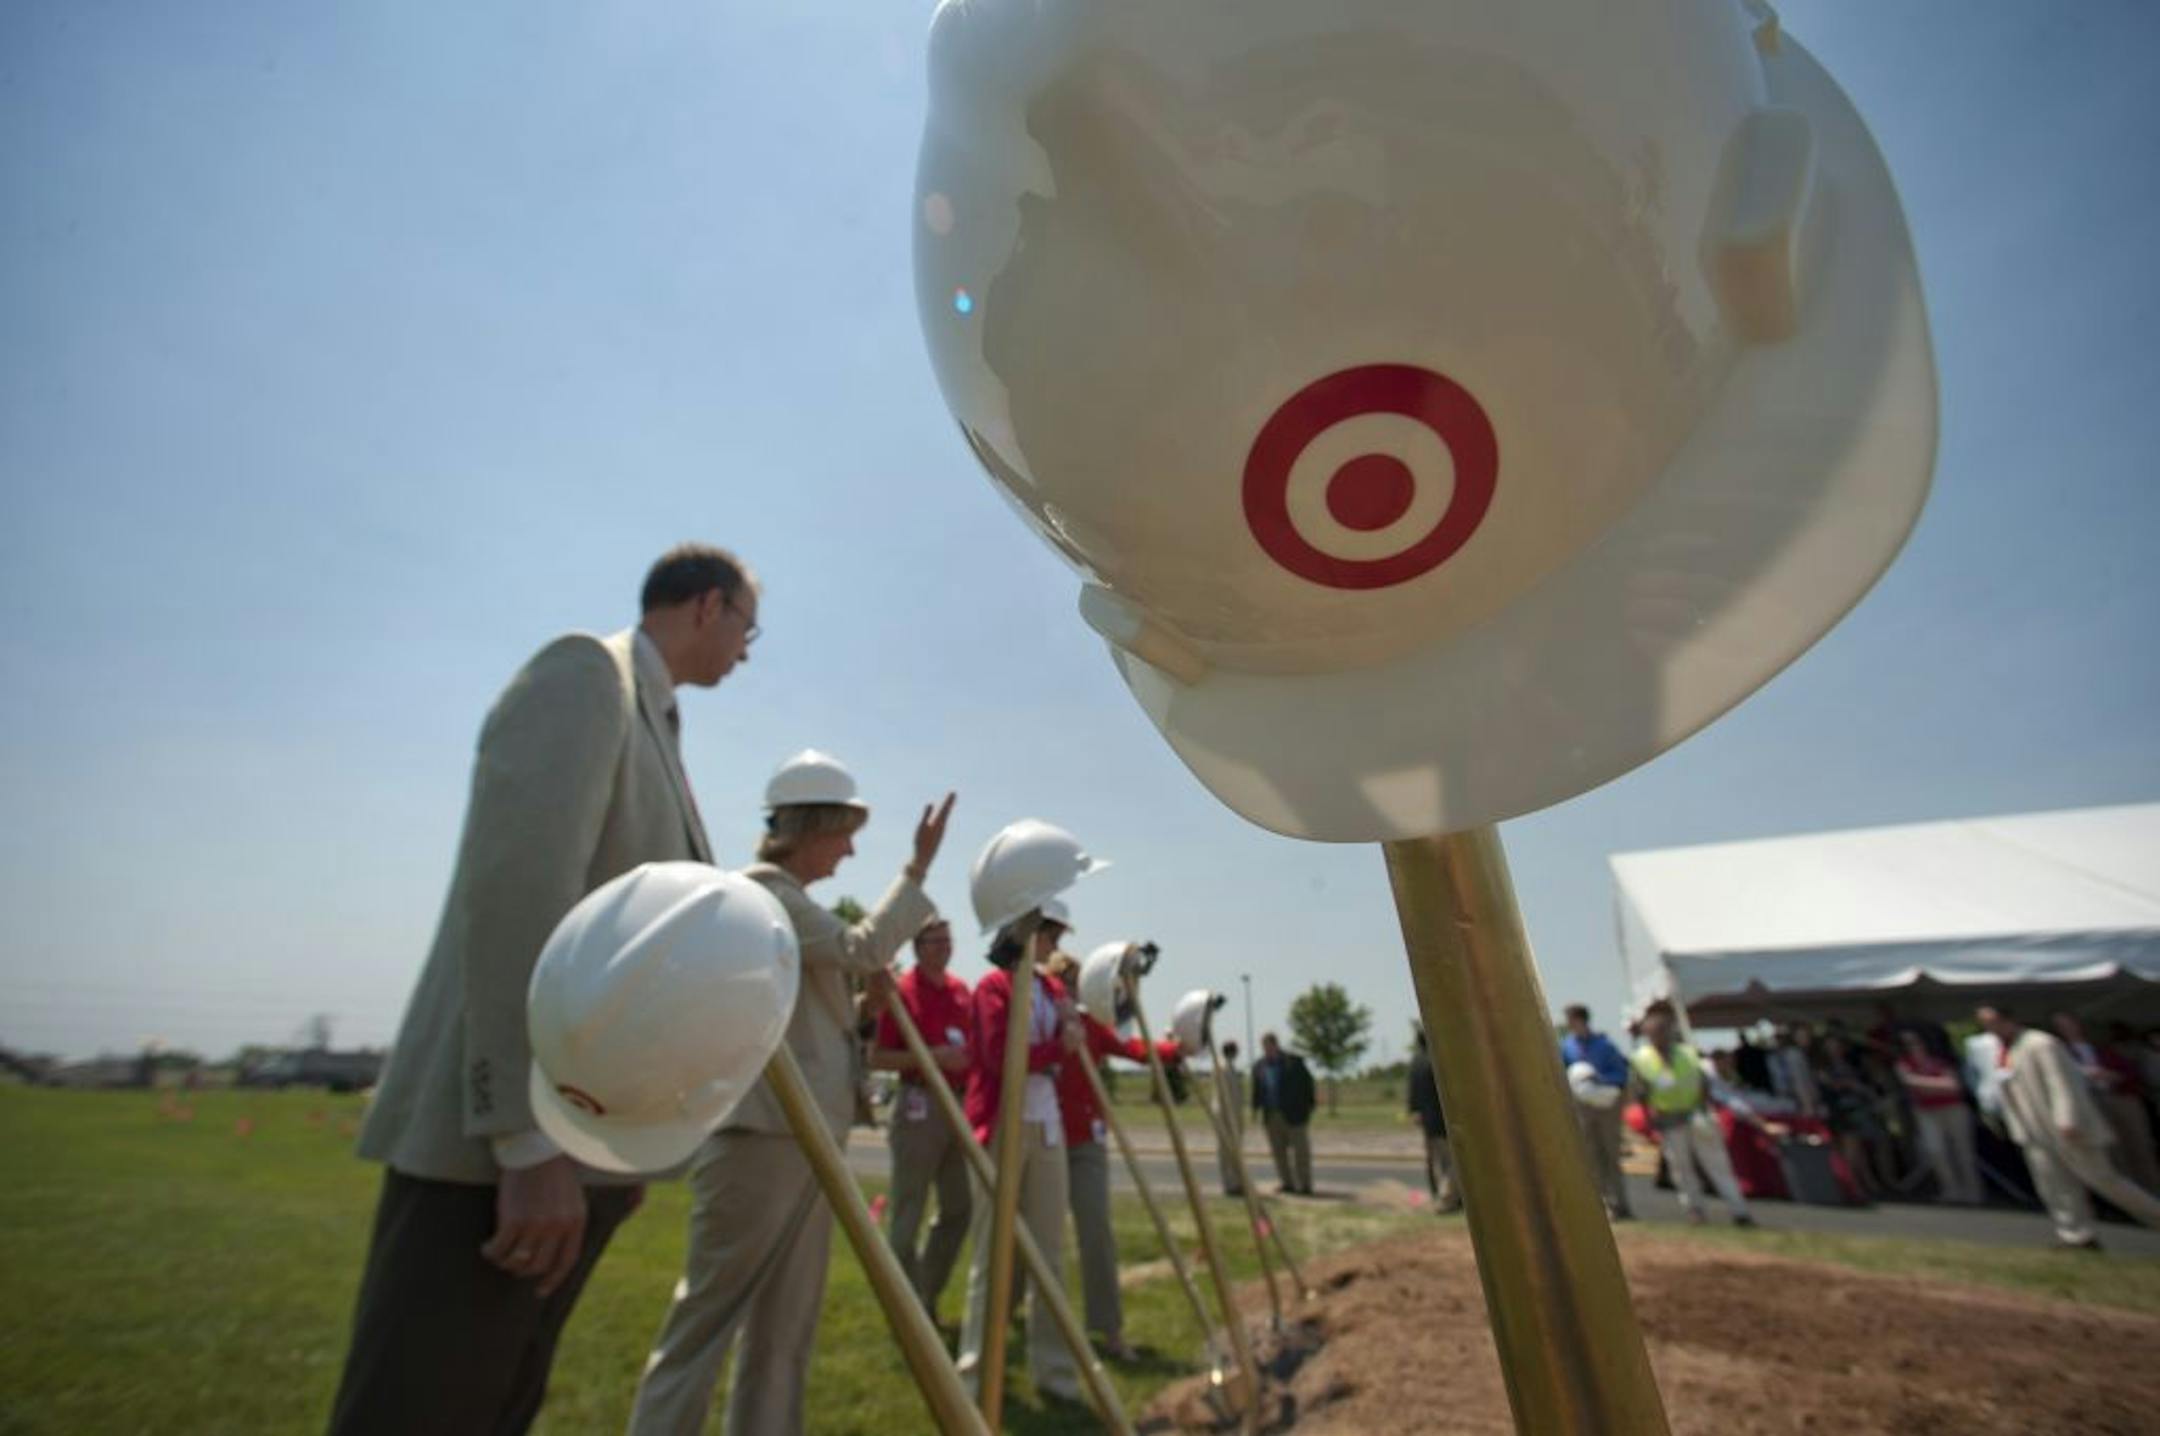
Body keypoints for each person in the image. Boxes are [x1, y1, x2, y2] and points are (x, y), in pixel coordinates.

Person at [327, 545, 757, 1436]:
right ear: (708, 606)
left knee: (496, 1403)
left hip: (574, 1152)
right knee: (424, 1406)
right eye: (749, 626)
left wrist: (622, 1145)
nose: (748, 649)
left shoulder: (655, 719)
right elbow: (522, 897)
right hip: (498, 1160)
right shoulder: (585, 677)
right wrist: (526, 1143)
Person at [626, 755, 951, 1436]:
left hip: (801, 1137)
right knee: (710, 1322)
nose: (850, 849)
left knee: (785, 1324)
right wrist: (916, 871)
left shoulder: (789, 904)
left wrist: (860, 1004)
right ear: (814, 827)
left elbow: (804, 1006)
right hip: (763, 1139)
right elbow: (861, 947)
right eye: (844, 832)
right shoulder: (765, 894)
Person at [957, 907, 1086, 1404]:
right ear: (1028, 933)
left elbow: (1065, 1045)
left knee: (1050, 1255)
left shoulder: (1052, 990)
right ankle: (974, 1374)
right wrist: (1058, 1048)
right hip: (1002, 1124)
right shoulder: (993, 986)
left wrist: (1070, 1029)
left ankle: (1054, 1372)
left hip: (1046, 1123)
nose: (1055, 945)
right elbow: (998, 1056)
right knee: (992, 1255)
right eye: (1050, 934)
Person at [1043, 951, 1180, 1361]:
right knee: (1035, 1236)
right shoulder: (1038, 1023)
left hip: (1086, 1141)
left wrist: (1174, 1048)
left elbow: (1132, 1048)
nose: (1070, 987)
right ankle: (1018, 1315)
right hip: (1043, 1139)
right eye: (1063, 980)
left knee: (1096, 1231)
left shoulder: (1091, 1025)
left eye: (1076, 980)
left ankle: (1108, 1329)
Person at [1979, 1005, 2160, 1250]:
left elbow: (2061, 1082)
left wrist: (2067, 1119)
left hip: (2062, 1127)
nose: (1990, 1028)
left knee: (2105, 1180)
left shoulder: (2041, 1043)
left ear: (2009, 1019)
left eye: (1993, 1022)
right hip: (2033, 1130)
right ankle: (2076, 1235)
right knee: (2054, 1185)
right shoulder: (2004, 1050)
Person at [867, 917, 974, 1325]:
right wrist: (930, 1058)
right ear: (918, 946)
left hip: (958, 1106)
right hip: (920, 1105)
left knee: (959, 1208)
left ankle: (924, 1292)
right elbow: (877, 1057)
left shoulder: (961, 991)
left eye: (949, 940)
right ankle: (908, 1308)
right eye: (936, 941)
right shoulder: (903, 994)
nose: (945, 947)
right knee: (907, 1214)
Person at [1630, 1004, 1755, 1227]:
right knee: (1681, 1168)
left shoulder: (1687, 1053)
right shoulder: (1642, 1059)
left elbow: (1704, 1083)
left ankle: (1739, 1211)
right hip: (1669, 1120)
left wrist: (1702, 1109)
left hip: (1697, 1115)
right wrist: (1650, 1119)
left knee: (1717, 1164)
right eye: (1654, 1032)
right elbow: (1641, 1092)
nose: (1659, 1036)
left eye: (1662, 1031)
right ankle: (1694, 1209)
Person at [2052, 1012, 2160, 1192]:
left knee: (2140, 1147)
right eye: (2061, 1026)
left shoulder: (2102, 1048)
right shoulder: (2060, 1053)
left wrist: (2112, 1075)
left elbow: (2130, 1072)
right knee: (2115, 1153)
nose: (2067, 1029)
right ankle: (2134, 1196)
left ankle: (2154, 1190)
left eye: (2070, 1024)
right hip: (2092, 1102)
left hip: (2121, 1098)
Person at [1560, 1004, 1634, 1220]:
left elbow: (1621, 1074)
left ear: (1582, 1020)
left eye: (1572, 1020)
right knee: (1591, 1155)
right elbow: (1561, 1072)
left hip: (1606, 1106)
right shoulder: (1566, 1046)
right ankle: (1602, 1204)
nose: (1571, 1025)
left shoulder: (1605, 1046)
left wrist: (1599, 1081)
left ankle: (1621, 1203)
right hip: (1582, 1107)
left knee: (1612, 1154)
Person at [1894, 1029, 1981, 1204]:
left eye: (1915, 1042)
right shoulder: (1904, 1063)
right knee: (1936, 1151)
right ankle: (1951, 1189)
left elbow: (1953, 1085)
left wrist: (1922, 1083)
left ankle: (1973, 1191)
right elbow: (1908, 1082)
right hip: (1926, 1111)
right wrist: (1938, 1084)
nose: (1912, 1047)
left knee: (1962, 1150)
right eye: (1907, 1044)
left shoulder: (1942, 1060)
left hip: (1953, 1108)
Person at [1816, 1033, 1894, 1198]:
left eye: (1837, 1046)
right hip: (1842, 1111)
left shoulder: (1854, 1064)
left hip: (1861, 1107)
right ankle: (1855, 1186)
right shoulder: (1824, 1068)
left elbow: (1868, 1085)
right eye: (1831, 1046)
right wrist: (1849, 1085)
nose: (1835, 1050)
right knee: (1852, 1151)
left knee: (1870, 1148)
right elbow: (1830, 1086)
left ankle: (1874, 1182)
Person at [1251, 1032, 1317, 1196]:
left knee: (1300, 1152)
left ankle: (1305, 1184)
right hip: (1271, 1115)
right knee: (1278, 1153)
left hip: (1294, 1115)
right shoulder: (1259, 1066)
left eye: (1268, 1045)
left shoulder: (1293, 1062)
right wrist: (1255, 1109)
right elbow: (1257, 1090)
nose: (1266, 1049)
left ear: (1275, 1045)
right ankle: (1287, 1183)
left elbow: (1307, 1085)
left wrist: (1308, 1108)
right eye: (1264, 1046)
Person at [1405, 1026, 1459, 1213]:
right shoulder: (1434, 1062)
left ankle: (1438, 1195)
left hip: (1426, 1121)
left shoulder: (1415, 1063)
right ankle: (1446, 1200)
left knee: (1436, 1161)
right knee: (1453, 1163)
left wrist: (1414, 1111)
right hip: (1441, 1120)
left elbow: (1411, 1092)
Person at [1214, 1040, 1247, 1197]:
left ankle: (1237, 1181)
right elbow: (1222, 1097)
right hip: (1226, 1117)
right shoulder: (1222, 1069)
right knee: (1226, 1152)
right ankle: (1230, 1184)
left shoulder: (1231, 1069)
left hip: (1234, 1116)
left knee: (1235, 1151)